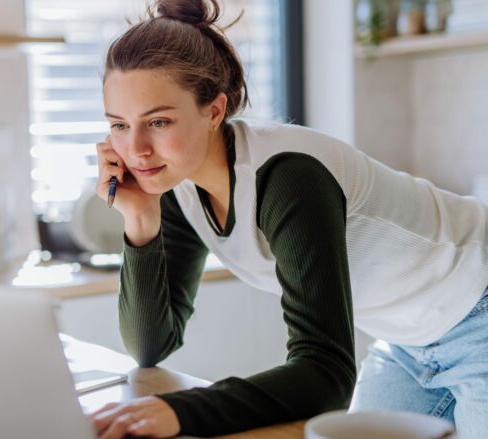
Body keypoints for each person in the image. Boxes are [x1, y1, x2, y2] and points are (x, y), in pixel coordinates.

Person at [87, 0, 488, 438]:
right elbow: (150, 345)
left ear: (215, 111)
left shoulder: (288, 177)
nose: (136, 149)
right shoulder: (177, 188)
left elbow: (325, 374)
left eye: (158, 121)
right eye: (119, 126)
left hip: (477, 304)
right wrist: (141, 222)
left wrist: (181, 412)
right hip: (409, 342)